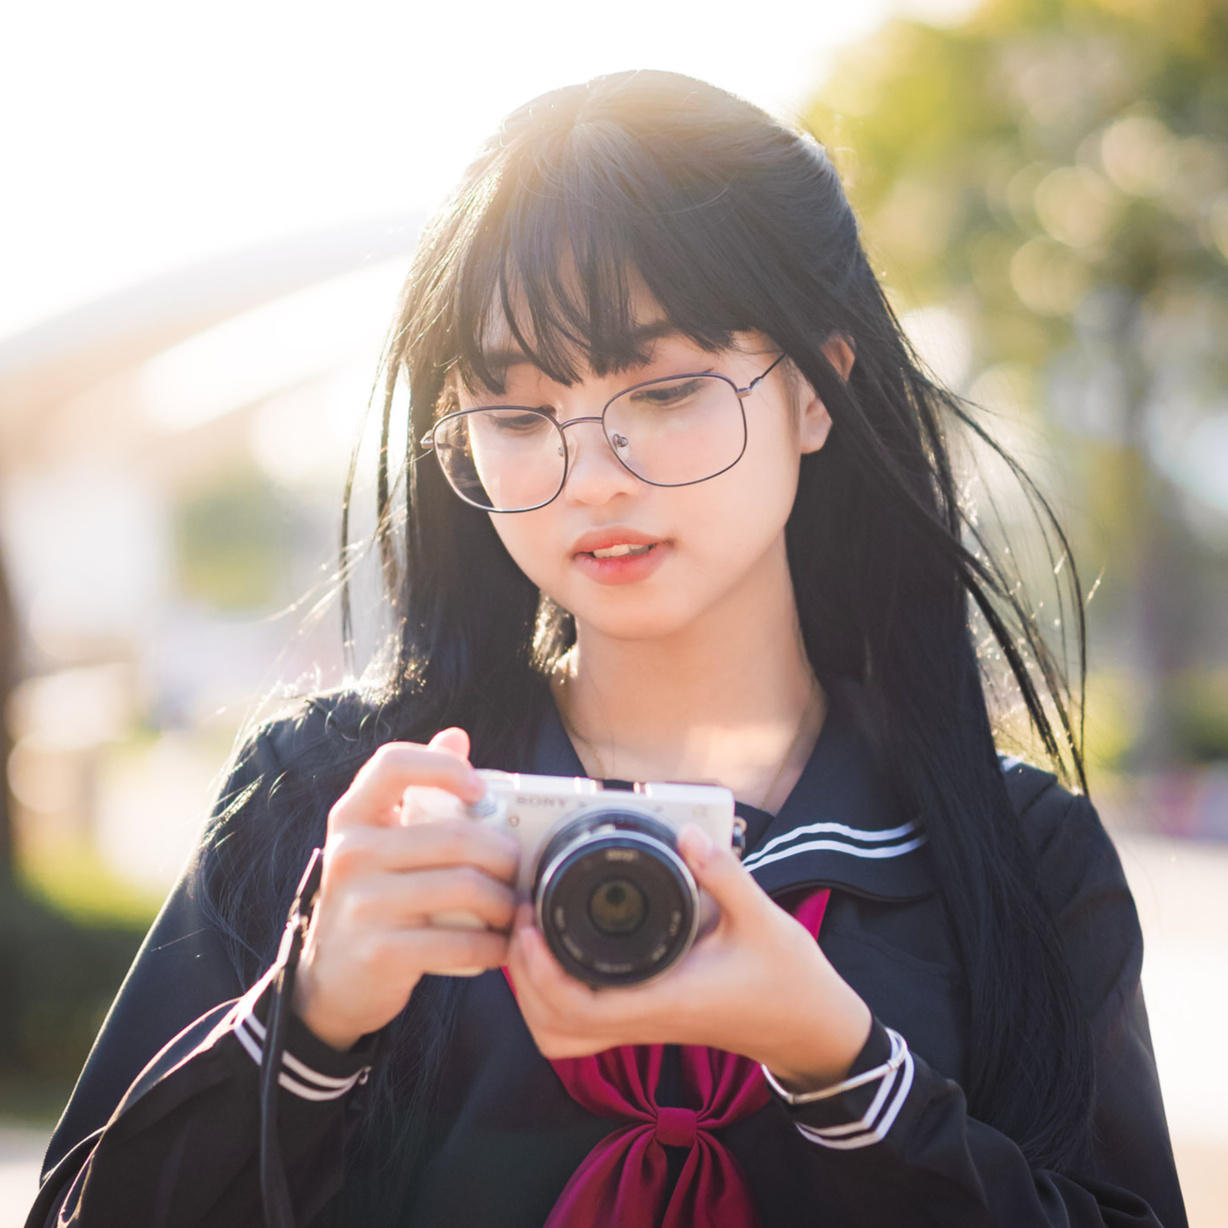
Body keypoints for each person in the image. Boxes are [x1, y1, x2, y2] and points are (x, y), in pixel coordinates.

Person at [28, 71, 1186, 1228]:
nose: (590, 475)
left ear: (818, 388)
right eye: (516, 415)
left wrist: (848, 1071)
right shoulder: (346, 809)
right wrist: (306, 1023)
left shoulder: (1014, 855)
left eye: (666, 390)